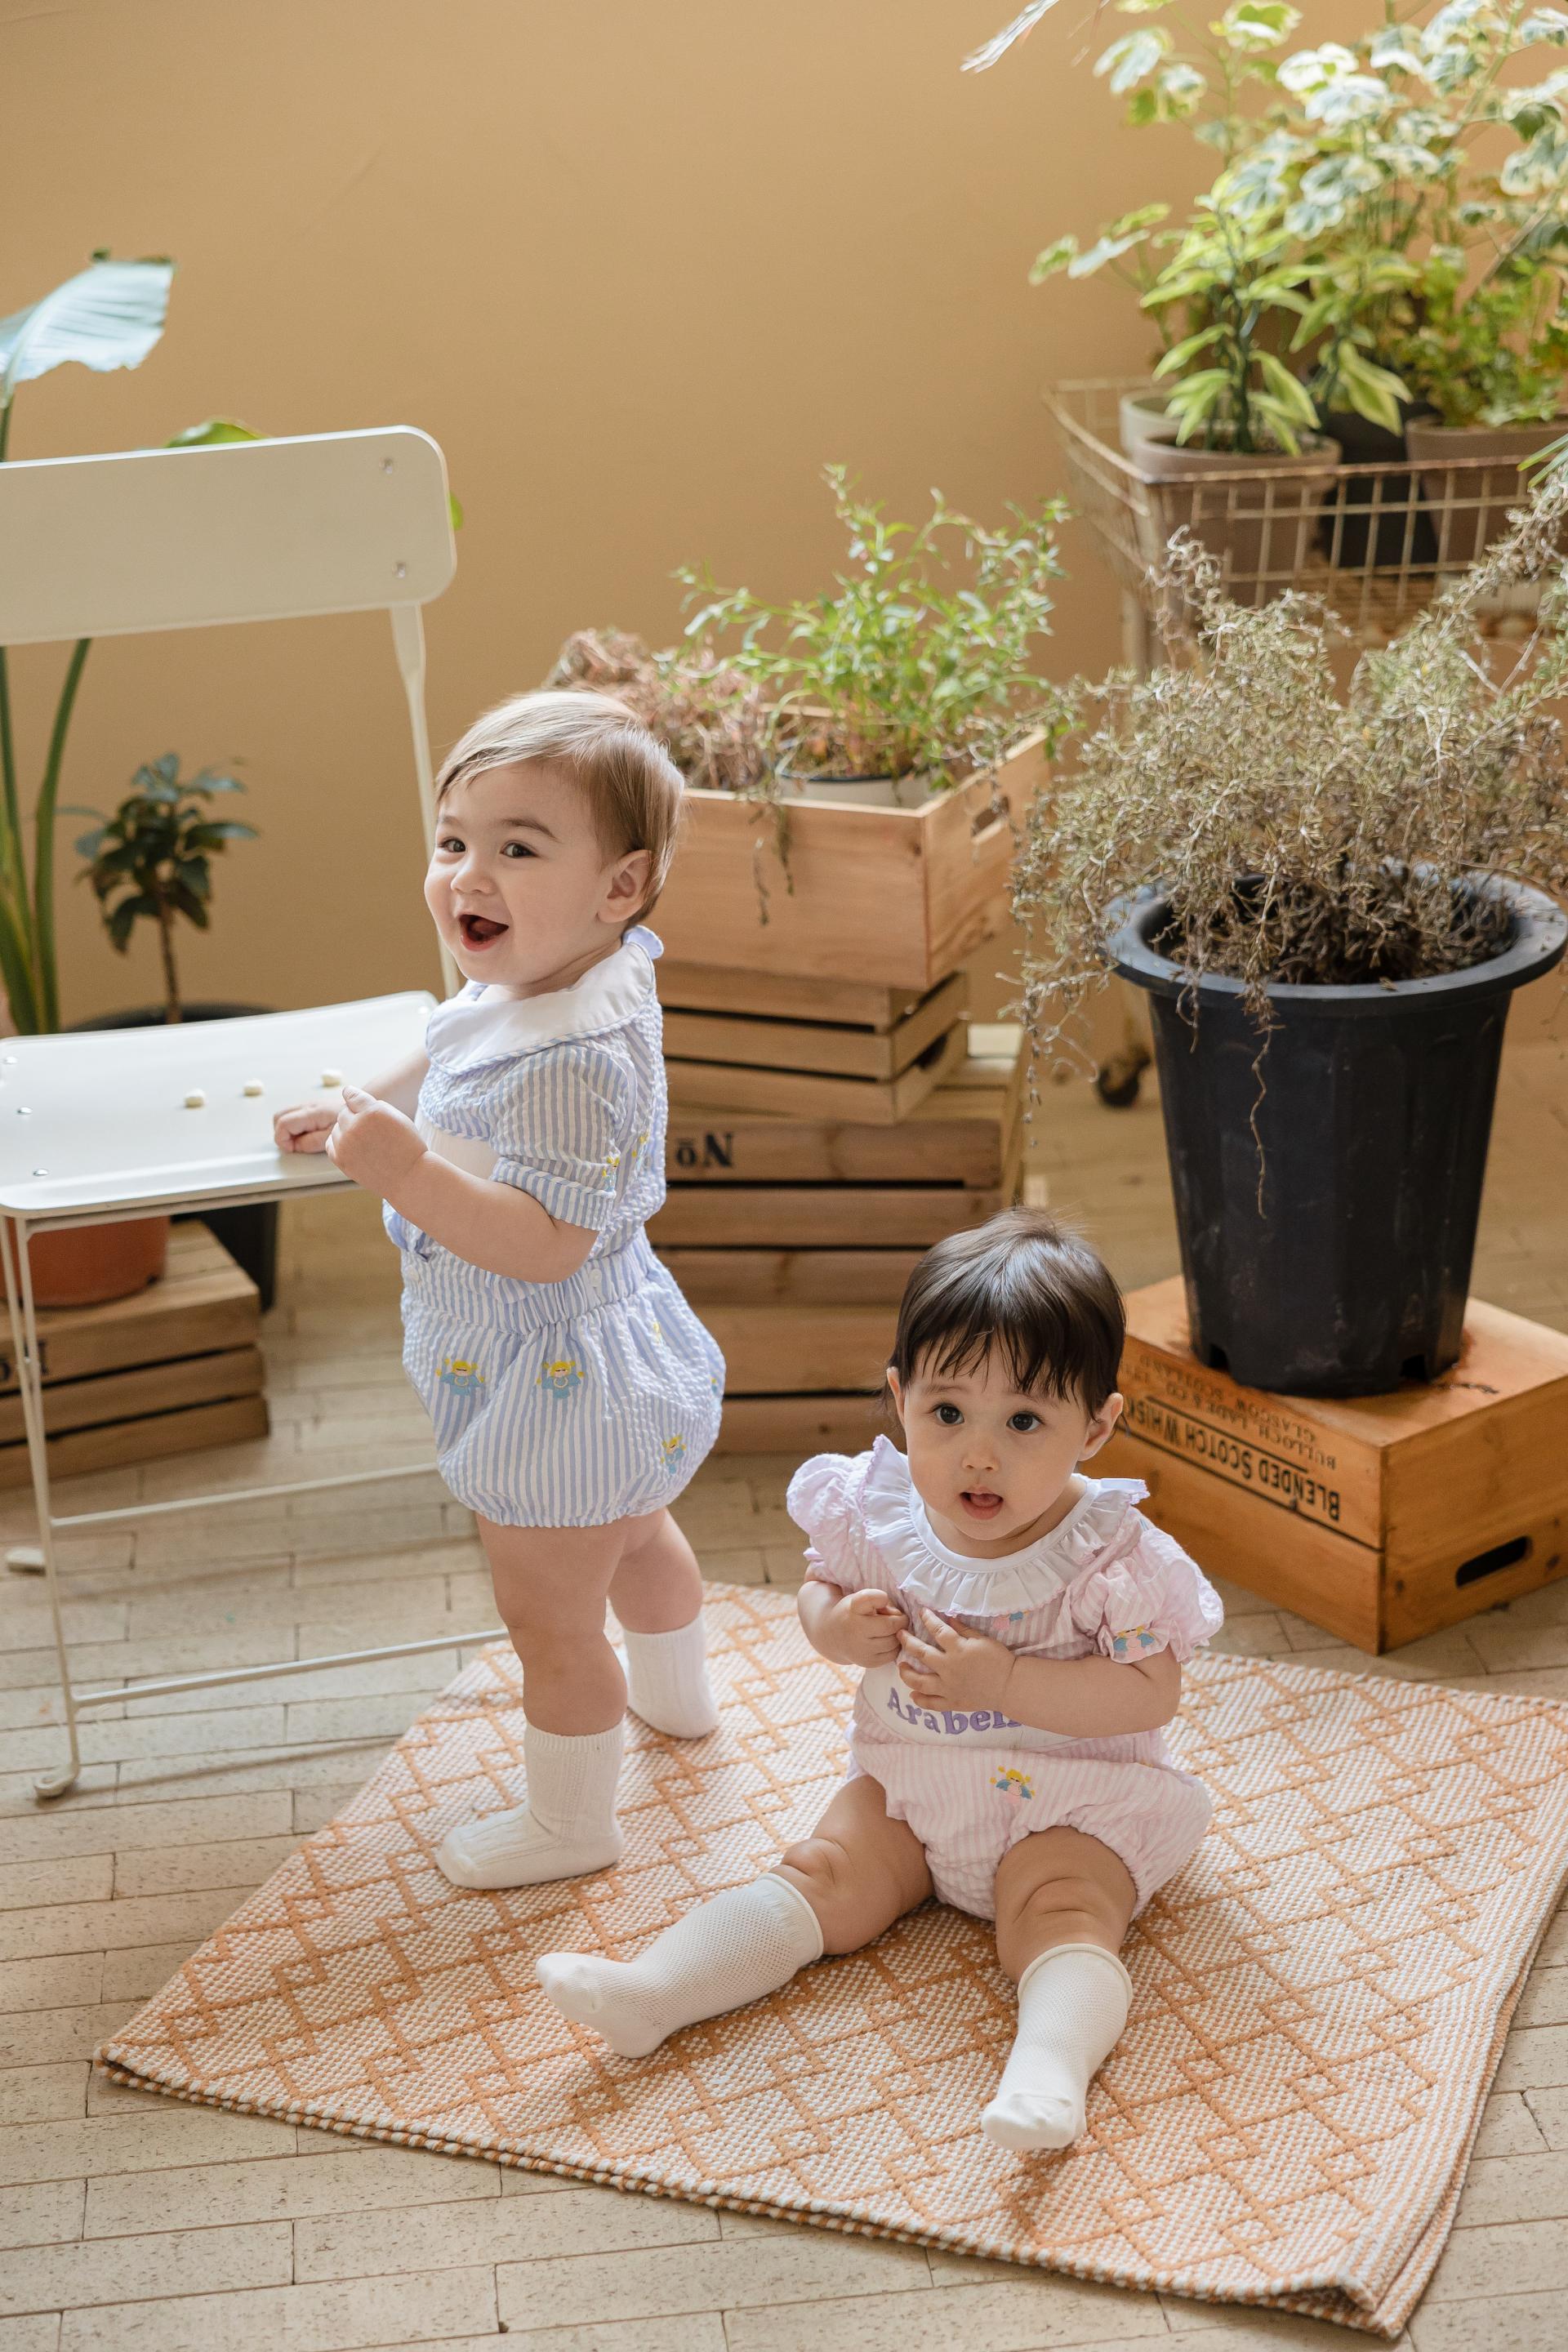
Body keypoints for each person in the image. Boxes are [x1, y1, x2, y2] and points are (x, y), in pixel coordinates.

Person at [535, 1209, 1222, 2152]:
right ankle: (654, 1991)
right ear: (901, 1398)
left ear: (1096, 1426)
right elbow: (820, 1589)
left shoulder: (1112, 1556)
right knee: (822, 1870)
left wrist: (1007, 1681)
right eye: (948, 1413)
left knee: (1061, 1914)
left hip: (1074, 1801)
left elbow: (1151, 1692)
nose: (980, 1454)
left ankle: (1049, 2073)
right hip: (912, 1787)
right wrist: (834, 1626)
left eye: (1025, 1421)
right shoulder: (877, 1512)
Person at [275, 690, 724, 1890]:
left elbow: (543, 1244)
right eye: (453, 842)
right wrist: (361, 1103)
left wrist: (403, 1169)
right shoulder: (557, 978)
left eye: (518, 849)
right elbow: (450, 1041)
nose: (469, 875)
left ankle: (573, 1826)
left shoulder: (573, 1062)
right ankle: (680, 1701)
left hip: (556, 1382)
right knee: (637, 1535)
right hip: (610, 1363)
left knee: (550, 1617)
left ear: (621, 887)